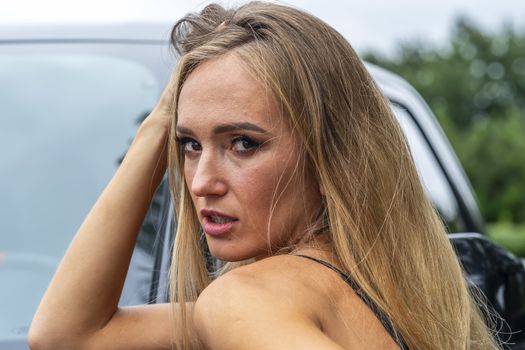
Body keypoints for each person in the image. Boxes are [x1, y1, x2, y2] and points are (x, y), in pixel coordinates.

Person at [29, 2, 502, 349]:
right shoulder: (378, 298)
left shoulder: (250, 301)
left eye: (243, 144)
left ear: (330, 159)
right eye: (190, 144)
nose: (199, 183)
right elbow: (68, 334)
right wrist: (162, 122)